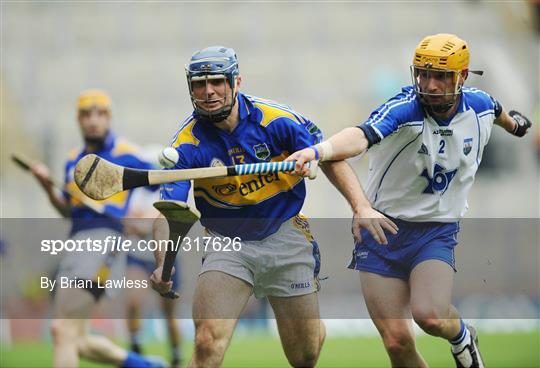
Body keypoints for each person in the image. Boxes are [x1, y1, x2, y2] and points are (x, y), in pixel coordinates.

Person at [286, 33, 532, 368]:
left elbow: (499, 111)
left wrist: (515, 125)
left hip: (435, 232)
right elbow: (358, 137)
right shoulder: (403, 108)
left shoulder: (479, 104)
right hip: (381, 231)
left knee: (430, 317)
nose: (429, 85)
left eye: (440, 76)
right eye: (422, 74)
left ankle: (461, 336)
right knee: (397, 342)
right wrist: (319, 151)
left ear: (461, 77)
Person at [150, 46, 331, 368]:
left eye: (217, 82)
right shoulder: (186, 144)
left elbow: (327, 152)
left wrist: (358, 204)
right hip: (226, 243)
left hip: (285, 234)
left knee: (304, 356)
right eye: (199, 84)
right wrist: (163, 263)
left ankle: (312, 328)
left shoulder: (277, 120)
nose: (208, 92)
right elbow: (169, 210)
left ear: (236, 82)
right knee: (207, 342)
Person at [30, 89, 164, 368]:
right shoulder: (72, 160)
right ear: (78, 120)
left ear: (108, 118)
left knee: (61, 330)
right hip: (76, 242)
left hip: (105, 242)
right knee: (76, 339)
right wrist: (46, 186)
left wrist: (144, 219)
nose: (93, 120)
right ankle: (148, 366)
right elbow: (68, 210)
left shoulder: (125, 154)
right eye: (86, 114)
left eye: (100, 114)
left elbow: (165, 188)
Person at [124, 186, 182, 368]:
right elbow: (127, 219)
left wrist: (141, 222)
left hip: (166, 258)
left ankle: (175, 355)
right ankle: (136, 349)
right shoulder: (134, 193)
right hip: (137, 257)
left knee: (168, 312)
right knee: (133, 302)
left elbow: (152, 222)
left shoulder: (169, 191)